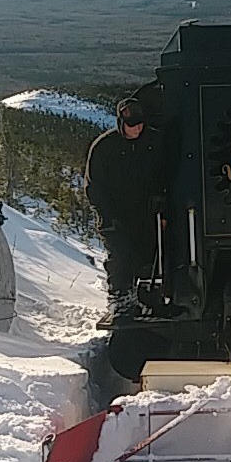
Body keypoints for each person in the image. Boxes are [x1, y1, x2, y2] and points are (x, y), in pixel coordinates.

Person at [85, 98, 166, 317]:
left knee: (156, 254)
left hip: (148, 214)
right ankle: (120, 301)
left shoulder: (155, 143)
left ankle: (155, 297)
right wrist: (108, 216)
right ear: (122, 123)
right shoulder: (104, 148)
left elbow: (166, 174)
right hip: (116, 216)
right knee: (121, 258)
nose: (137, 128)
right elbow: (95, 187)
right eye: (132, 125)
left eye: (140, 123)